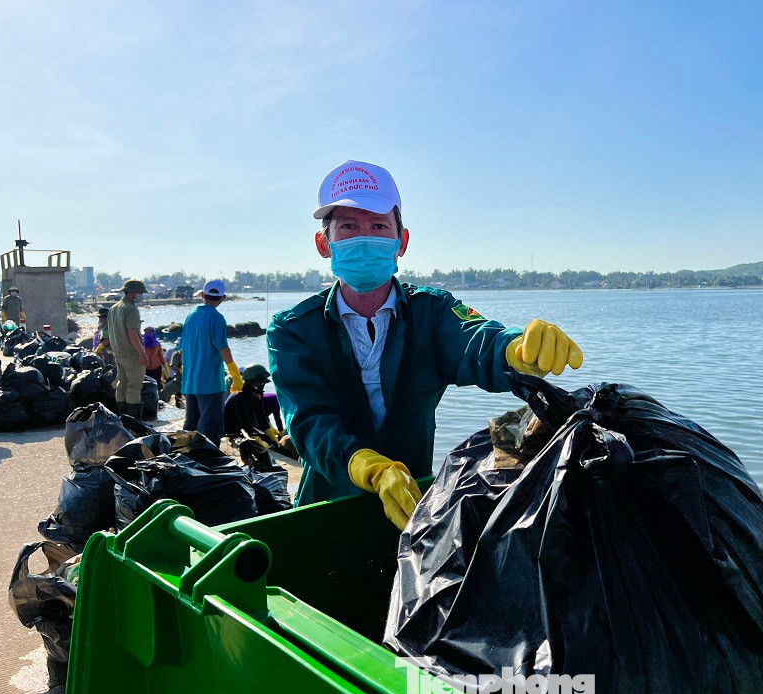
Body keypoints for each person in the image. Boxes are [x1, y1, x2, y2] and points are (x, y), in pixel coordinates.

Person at [267, 160, 583, 528]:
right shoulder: (292, 330)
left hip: (414, 505)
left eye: (379, 226)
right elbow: (308, 421)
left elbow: (478, 341)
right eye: (349, 227)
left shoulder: (431, 312)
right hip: (325, 508)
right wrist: (366, 467)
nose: (364, 237)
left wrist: (518, 349)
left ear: (401, 241)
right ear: (325, 243)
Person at [181, 279, 243, 444]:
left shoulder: (190, 317)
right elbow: (223, 348)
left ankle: (188, 460)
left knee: (191, 426)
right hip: (210, 384)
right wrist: (235, 374)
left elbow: (184, 349)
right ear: (223, 298)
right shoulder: (217, 318)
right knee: (210, 430)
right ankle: (207, 462)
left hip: (190, 382)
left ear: (202, 295)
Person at [107, 279, 150, 419]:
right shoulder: (131, 309)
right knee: (134, 387)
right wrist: (142, 353)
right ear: (132, 294)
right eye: (140, 293)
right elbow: (132, 333)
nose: (141, 296)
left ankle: (121, 418)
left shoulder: (114, 308)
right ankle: (134, 421)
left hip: (118, 352)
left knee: (122, 384)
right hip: (132, 353)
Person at [223, 364, 282, 445]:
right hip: (233, 431)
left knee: (271, 441)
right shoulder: (240, 396)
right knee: (264, 444)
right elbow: (244, 422)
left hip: (247, 427)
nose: (261, 385)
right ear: (248, 382)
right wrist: (257, 438)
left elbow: (261, 416)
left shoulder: (257, 394)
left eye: (263, 383)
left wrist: (272, 436)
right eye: (259, 382)